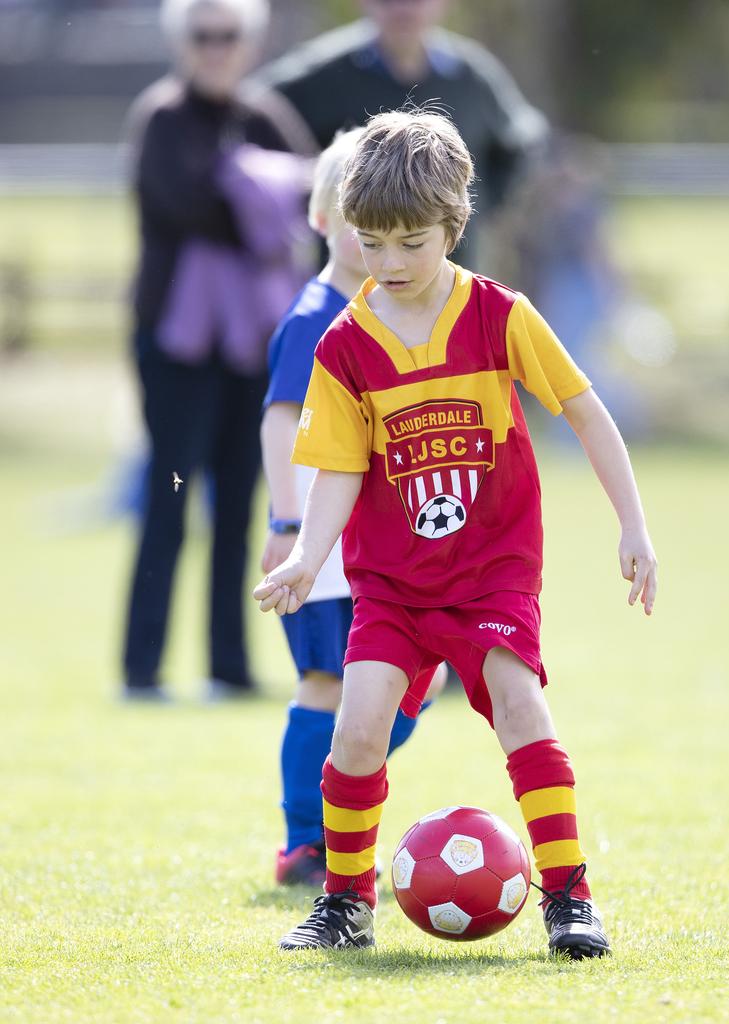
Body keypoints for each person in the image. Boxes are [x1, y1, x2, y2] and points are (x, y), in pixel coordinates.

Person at [253, 110, 658, 957]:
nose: (390, 263)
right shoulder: (344, 345)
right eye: (372, 243)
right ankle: (346, 903)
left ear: (453, 225)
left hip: (490, 577)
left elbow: (586, 413)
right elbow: (339, 469)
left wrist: (634, 524)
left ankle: (568, 899)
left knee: (520, 707)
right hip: (394, 585)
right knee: (358, 727)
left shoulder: (499, 316)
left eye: (411, 242)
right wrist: (304, 557)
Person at [260, 129, 446, 886]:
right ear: (323, 221)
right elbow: (277, 419)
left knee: (419, 681)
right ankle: (308, 838)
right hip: (320, 542)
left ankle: (343, 789)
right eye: (352, 215)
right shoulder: (313, 321)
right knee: (326, 684)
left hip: (381, 540)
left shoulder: (388, 312)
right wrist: (286, 521)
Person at [121, 0, 311, 701]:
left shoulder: (265, 117)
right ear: (182, 43)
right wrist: (256, 194)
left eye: (229, 36)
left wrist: (249, 190)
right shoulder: (162, 118)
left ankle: (227, 666)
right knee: (169, 500)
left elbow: (308, 197)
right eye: (203, 36)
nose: (216, 48)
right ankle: (141, 670)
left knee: (239, 502)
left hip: (249, 347)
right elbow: (180, 203)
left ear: (248, 43)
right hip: (176, 344)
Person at [252, 0, 548, 268]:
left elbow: (522, 142)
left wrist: (475, 203)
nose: (403, 10)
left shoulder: (470, 76)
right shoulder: (322, 72)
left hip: (452, 281)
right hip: (356, 286)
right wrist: (308, 195)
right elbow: (251, 115)